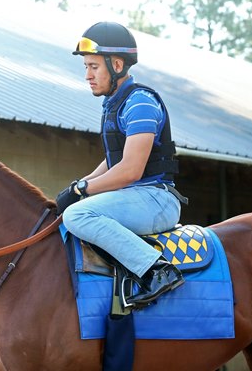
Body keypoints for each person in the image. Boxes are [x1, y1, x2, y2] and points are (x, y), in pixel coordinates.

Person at [56, 21, 188, 306]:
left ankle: (156, 271)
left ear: (116, 64)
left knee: (78, 216)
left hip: (156, 199)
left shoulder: (140, 102)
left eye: (93, 67)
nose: (87, 75)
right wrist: (80, 184)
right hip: (137, 197)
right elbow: (113, 159)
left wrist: (83, 189)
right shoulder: (117, 103)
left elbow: (130, 170)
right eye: (86, 67)